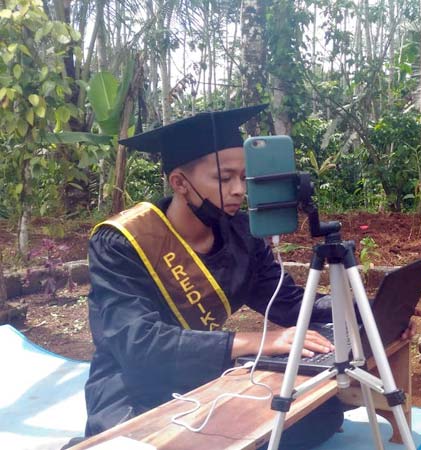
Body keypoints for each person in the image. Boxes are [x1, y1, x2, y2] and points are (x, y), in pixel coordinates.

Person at [73, 105, 350, 449]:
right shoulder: (122, 243)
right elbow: (139, 344)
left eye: (243, 177)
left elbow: (290, 304)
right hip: (133, 386)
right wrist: (255, 342)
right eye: (224, 178)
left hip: (203, 378)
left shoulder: (241, 234)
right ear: (179, 183)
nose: (239, 190)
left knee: (321, 416)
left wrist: (362, 311)